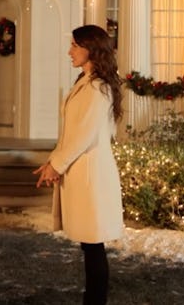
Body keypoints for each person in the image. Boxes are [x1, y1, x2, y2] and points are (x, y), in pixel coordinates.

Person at [34, 24, 124, 305]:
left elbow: (83, 134)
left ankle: (95, 301)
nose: (69, 51)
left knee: (94, 245)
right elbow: (71, 131)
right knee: (90, 245)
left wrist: (56, 165)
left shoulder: (98, 88)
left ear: (90, 48)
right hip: (82, 171)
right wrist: (53, 160)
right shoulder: (85, 82)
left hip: (91, 176)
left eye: (74, 46)